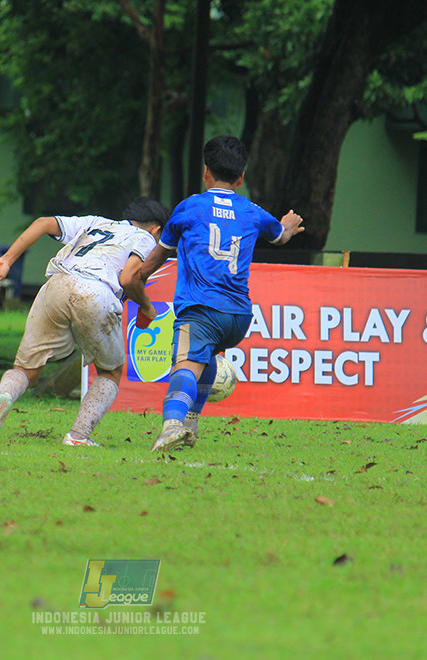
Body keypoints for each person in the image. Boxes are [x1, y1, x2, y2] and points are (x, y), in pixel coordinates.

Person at [124, 135, 305, 453]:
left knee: (184, 366)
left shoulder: (190, 207)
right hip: (239, 316)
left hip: (201, 310)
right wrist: (287, 224)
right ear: (241, 178)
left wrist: (135, 281)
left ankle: (171, 428)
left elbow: (153, 261)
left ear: (206, 172)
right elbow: (281, 236)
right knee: (204, 359)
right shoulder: (251, 210)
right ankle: (190, 426)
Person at [0, 198, 169, 447]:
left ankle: (1, 399)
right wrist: (147, 307)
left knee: (26, 369)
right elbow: (129, 277)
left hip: (56, 284)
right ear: (156, 229)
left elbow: (44, 223)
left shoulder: (96, 223)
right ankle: (78, 436)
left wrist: (7, 260)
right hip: (95, 291)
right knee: (110, 371)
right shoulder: (146, 238)